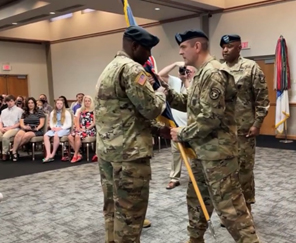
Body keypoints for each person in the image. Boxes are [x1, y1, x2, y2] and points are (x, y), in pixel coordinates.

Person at [168, 30, 261, 243]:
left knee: (231, 209)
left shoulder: (214, 73)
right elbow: (191, 104)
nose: (181, 52)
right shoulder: (201, 73)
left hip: (217, 155)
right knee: (197, 201)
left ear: (197, 47)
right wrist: (168, 94)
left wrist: (182, 132)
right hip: (201, 152)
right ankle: (195, 238)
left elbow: (211, 117)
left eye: (183, 47)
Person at [95, 25, 168, 243]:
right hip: (129, 157)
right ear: (135, 46)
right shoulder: (132, 70)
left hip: (108, 153)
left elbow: (121, 115)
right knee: (130, 216)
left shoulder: (109, 68)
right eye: (147, 50)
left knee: (113, 211)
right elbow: (151, 108)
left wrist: (156, 129)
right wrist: (161, 93)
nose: (149, 56)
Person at [220, 34, 270, 215]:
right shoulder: (218, 69)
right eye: (223, 47)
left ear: (239, 47)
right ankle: (231, 211)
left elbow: (262, 98)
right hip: (223, 132)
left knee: (244, 171)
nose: (225, 50)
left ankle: (246, 210)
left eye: (230, 46)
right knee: (226, 172)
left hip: (244, 130)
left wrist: (258, 123)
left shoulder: (251, 68)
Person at [158, 62, 195, 189]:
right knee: (175, 154)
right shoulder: (175, 82)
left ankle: (194, 178)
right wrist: (174, 64)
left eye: (189, 70)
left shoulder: (196, 83)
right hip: (176, 126)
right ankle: (174, 178)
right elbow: (160, 75)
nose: (186, 72)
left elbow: (190, 98)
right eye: (184, 70)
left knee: (192, 153)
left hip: (191, 127)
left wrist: (186, 80)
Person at [10, 97, 45, 161]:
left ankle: (13, 150)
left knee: (27, 135)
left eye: (32, 103)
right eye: (29, 103)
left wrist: (37, 128)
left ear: (34, 104)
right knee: (18, 135)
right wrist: (25, 127)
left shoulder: (39, 112)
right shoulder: (25, 112)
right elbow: (21, 123)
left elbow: (41, 123)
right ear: (27, 104)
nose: (30, 104)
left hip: (36, 130)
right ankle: (14, 152)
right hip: (26, 128)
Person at [42, 98, 72, 163]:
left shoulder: (67, 113)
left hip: (64, 129)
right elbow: (51, 123)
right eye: (58, 103)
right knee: (45, 135)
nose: (59, 105)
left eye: (61, 103)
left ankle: (53, 154)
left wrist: (60, 128)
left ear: (63, 104)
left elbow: (69, 124)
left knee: (56, 135)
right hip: (55, 128)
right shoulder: (53, 112)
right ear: (55, 104)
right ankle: (48, 154)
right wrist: (52, 127)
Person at [0, 95, 23, 161]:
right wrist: (1, 128)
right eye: (8, 101)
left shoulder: (19, 110)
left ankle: (5, 154)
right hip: (4, 128)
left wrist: (10, 128)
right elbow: (0, 121)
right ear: (6, 102)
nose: (9, 103)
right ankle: (1, 151)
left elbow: (20, 123)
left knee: (5, 136)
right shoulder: (3, 111)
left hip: (14, 128)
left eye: (11, 101)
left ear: (14, 101)